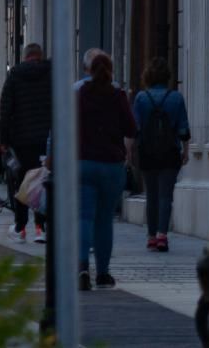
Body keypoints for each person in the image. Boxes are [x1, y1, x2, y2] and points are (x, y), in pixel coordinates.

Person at [77, 52, 136, 289]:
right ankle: (103, 273)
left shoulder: (81, 94)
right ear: (111, 71)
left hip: (84, 162)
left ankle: (82, 267)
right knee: (104, 220)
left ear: (89, 70)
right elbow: (132, 128)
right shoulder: (118, 96)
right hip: (111, 164)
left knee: (84, 216)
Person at [132, 56, 191, 252]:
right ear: (167, 77)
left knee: (152, 195)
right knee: (166, 195)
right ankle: (162, 236)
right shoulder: (176, 97)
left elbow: (135, 128)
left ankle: (150, 236)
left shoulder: (141, 98)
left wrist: (129, 152)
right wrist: (186, 151)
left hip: (147, 153)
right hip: (170, 152)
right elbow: (183, 128)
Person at [0, 43, 53, 244]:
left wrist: (3, 140)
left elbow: (5, 109)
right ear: (40, 55)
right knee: (44, 181)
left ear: (25, 56)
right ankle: (42, 227)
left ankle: (20, 226)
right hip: (47, 139)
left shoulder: (14, 75)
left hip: (21, 140)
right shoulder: (52, 74)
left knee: (22, 182)